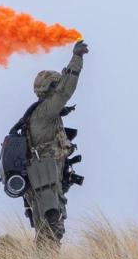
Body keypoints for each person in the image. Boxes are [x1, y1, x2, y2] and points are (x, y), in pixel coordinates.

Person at [20, 40, 89, 247]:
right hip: (45, 182)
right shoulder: (45, 112)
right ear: (50, 89)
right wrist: (77, 60)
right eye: (55, 86)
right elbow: (65, 92)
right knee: (51, 229)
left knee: (48, 230)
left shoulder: (42, 114)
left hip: (46, 180)